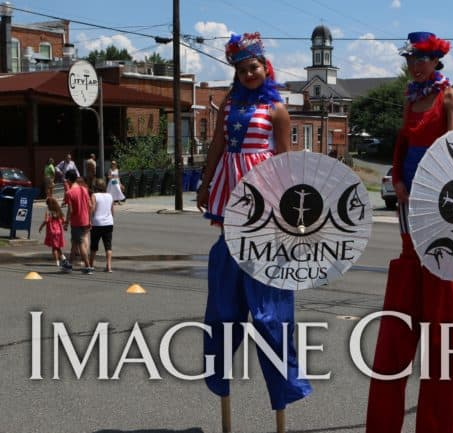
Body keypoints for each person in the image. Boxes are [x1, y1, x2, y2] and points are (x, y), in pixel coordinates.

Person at [196, 32, 311, 414]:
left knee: (264, 294)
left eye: (254, 67)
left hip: (263, 187)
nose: (249, 73)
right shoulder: (228, 103)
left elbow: (285, 160)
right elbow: (216, 143)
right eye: (242, 69)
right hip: (230, 185)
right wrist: (206, 179)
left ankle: (282, 387)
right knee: (228, 262)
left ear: (266, 67)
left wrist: (290, 208)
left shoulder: (277, 108)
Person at [365, 32, 453, 433]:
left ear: (436, 60)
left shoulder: (449, 97)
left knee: (436, 278)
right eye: (412, 59)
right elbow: (403, 143)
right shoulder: (410, 98)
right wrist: (397, 178)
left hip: (438, 195)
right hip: (408, 194)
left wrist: (446, 191)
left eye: (423, 58)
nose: (416, 64)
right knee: (410, 259)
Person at [61, 170, 94, 275]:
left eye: (66, 179)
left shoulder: (69, 193)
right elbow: (89, 205)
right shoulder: (84, 189)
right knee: (75, 243)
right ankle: (69, 264)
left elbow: (70, 210)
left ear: (69, 180)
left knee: (80, 244)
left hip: (77, 222)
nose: (66, 181)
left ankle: (88, 266)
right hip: (85, 220)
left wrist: (66, 222)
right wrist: (89, 220)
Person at [89, 179, 115, 273]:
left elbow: (92, 208)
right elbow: (112, 210)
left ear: (96, 187)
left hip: (97, 223)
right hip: (109, 223)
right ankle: (109, 266)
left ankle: (91, 265)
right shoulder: (110, 196)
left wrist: (89, 219)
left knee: (94, 245)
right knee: (108, 245)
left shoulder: (94, 195)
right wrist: (111, 219)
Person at [38, 197, 65, 267]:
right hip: (59, 231)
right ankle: (62, 257)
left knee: (54, 248)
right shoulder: (58, 210)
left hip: (52, 231)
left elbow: (46, 221)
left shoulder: (49, 211)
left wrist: (41, 227)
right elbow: (63, 220)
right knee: (57, 246)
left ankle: (57, 261)